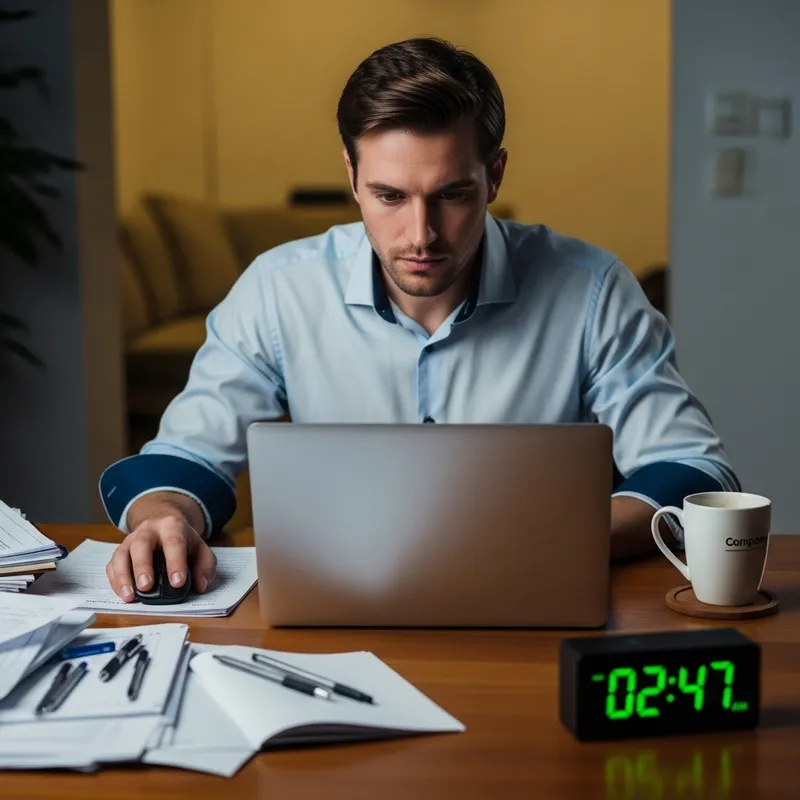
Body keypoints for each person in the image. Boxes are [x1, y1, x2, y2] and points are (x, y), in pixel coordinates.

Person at [100, 37, 739, 602]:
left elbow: (690, 469)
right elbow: (187, 456)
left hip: (534, 609)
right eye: (389, 196)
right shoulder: (277, 289)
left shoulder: (592, 289)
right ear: (352, 177)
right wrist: (163, 517)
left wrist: (554, 540)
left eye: (452, 195)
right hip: (338, 610)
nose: (421, 234)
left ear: (494, 175)